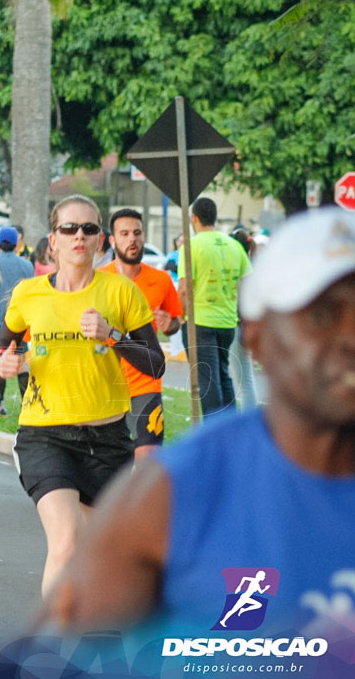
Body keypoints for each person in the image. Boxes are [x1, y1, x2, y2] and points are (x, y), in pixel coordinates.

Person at [39, 208, 355, 656]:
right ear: (258, 337)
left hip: (139, 396)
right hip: (95, 414)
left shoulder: (150, 281)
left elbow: (165, 327)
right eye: (323, 316)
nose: (351, 337)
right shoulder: (178, 488)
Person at [0, 194, 164, 596]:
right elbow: (2, 345)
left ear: (101, 239)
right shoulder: (29, 294)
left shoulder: (121, 293)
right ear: (53, 240)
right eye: (69, 228)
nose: (79, 236)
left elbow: (155, 364)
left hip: (108, 441)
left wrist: (113, 336)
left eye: (89, 228)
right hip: (45, 436)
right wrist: (4, 361)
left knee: (106, 553)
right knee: (67, 542)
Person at [99, 209, 183, 459]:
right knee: (111, 460)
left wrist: (171, 325)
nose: (132, 239)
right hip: (106, 380)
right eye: (124, 234)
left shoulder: (161, 279)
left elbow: (175, 320)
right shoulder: (98, 280)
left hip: (146, 379)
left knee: (149, 457)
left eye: (137, 233)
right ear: (112, 240)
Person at [178, 197, 251, 420]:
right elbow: (247, 284)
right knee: (222, 375)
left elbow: (183, 290)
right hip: (228, 323)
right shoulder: (234, 245)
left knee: (208, 381)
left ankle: (216, 433)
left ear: (195, 218)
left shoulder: (191, 246)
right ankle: (231, 429)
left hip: (201, 322)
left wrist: (182, 318)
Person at [0, 226, 34, 414]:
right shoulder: (27, 265)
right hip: (17, 321)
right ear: (17, 243)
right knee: (21, 362)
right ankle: (26, 405)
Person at [228, 225, 259, 409]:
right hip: (246, 328)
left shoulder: (241, 270)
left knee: (243, 380)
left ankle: (249, 416)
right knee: (245, 378)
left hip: (237, 326)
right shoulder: (253, 268)